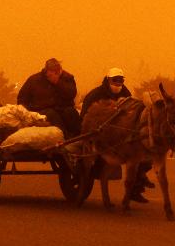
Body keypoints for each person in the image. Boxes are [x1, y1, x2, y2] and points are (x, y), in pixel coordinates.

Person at [81, 67, 154, 203]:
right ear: (108, 80)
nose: (118, 84)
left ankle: (136, 188)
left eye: (120, 81)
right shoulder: (95, 95)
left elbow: (131, 115)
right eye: (115, 80)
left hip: (120, 133)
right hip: (101, 133)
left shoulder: (126, 94)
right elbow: (86, 115)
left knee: (143, 157)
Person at [17, 58, 81, 139]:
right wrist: (29, 113)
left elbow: (71, 94)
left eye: (57, 73)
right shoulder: (34, 80)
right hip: (42, 111)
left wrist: (58, 83)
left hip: (63, 108)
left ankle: (79, 137)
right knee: (52, 115)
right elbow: (22, 98)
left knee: (71, 112)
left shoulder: (67, 78)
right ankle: (64, 139)